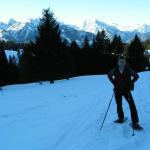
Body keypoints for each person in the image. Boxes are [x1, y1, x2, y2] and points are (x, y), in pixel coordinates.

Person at [108, 56, 143, 130]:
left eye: (123, 62)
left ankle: (135, 123)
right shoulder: (115, 69)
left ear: (125, 62)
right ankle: (121, 118)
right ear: (118, 62)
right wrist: (114, 82)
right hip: (117, 90)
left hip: (126, 90)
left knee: (132, 105)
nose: (122, 63)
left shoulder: (128, 69)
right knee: (119, 104)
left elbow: (136, 76)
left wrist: (130, 83)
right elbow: (109, 75)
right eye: (120, 62)